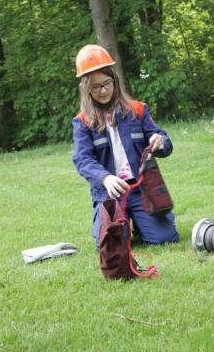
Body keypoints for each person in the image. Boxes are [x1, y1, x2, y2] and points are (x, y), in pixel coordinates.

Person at [72, 44, 179, 248]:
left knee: (164, 239)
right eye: (96, 87)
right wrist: (105, 178)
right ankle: (122, 224)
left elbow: (165, 142)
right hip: (108, 193)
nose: (103, 90)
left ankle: (140, 222)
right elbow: (82, 160)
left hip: (141, 189)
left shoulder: (138, 110)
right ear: (86, 89)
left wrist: (160, 141)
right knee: (111, 245)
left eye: (107, 83)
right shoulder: (82, 122)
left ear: (115, 82)